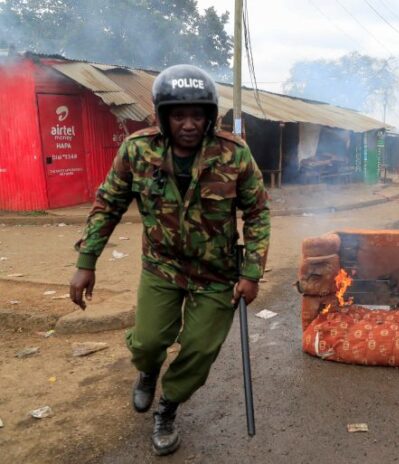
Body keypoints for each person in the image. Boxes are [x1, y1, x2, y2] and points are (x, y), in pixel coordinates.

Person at [69, 64, 270, 456]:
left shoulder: (234, 155)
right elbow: (108, 204)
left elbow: (258, 212)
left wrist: (252, 272)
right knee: (147, 342)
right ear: (163, 116)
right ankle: (148, 370)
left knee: (198, 351)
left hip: (216, 274)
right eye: (179, 115)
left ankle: (168, 408)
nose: (189, 124)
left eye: (198, 115)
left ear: (210, 117)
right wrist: (86, 261)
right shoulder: (137, 150)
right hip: (162, 266)